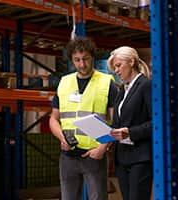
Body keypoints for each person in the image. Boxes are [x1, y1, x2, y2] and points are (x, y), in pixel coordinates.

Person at [49, 36, 118, 200]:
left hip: (94, 155)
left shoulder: (106, 82)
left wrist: (103, 148)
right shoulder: (64, 83)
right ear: (72, 60)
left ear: (92, 57)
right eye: (77, 60)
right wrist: (61, 137)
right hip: (67, 155)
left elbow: (116, 121)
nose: (82, 64)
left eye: (85, 59)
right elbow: (53, 118)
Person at [107, 46, 152, 200]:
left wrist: (130, 133)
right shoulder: (122, 91)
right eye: (114, 68)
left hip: (140, 157)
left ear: (131, 61)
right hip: (122, 158)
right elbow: (117, 122)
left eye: (118, 66)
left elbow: (157, 123)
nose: (116, 71)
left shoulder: (146, 86)